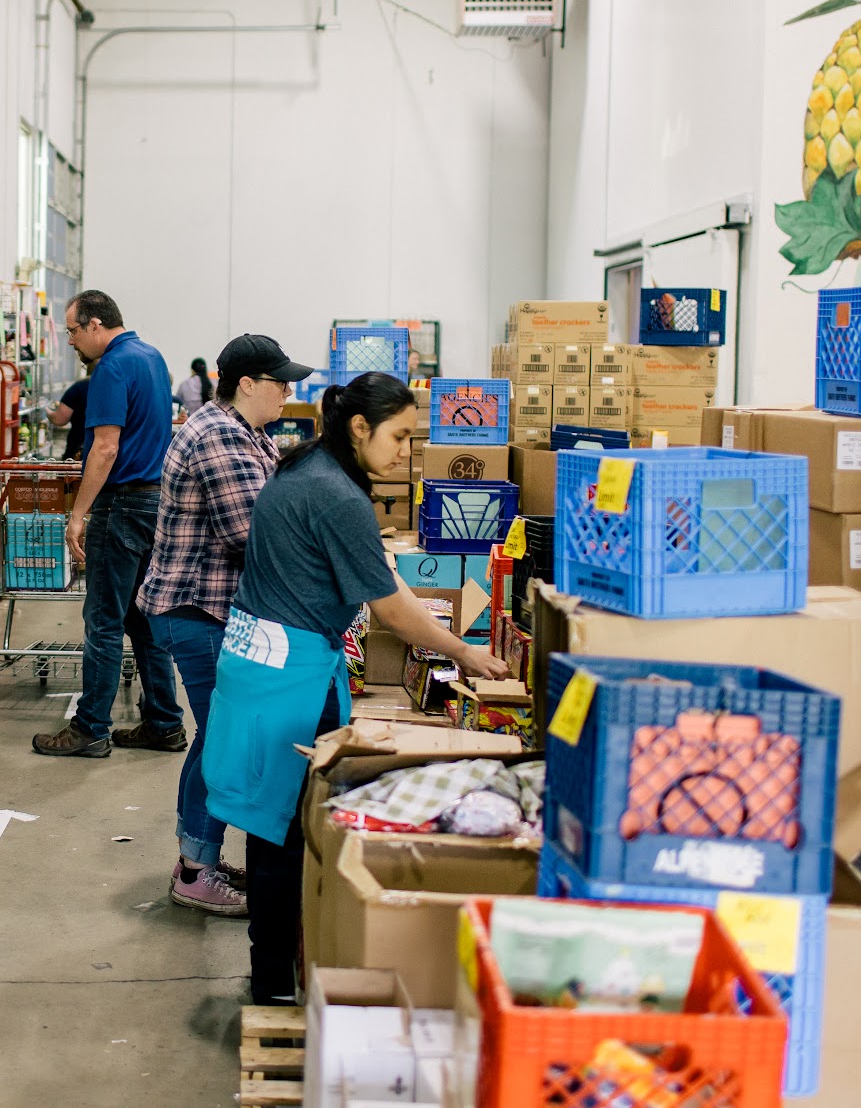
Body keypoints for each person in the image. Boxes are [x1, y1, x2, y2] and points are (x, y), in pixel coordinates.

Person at [201, 372, 510, 1004]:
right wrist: (463, 652)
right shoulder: (335, 495)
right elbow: (391, 607)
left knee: (275, 826)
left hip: (262, 664)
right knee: (285, 833)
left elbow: (368, 580)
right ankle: (274, 985)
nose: (406, 452)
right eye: (399, 436)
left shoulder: (305, 467)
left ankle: (275, 971)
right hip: (287, 680)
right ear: (360, 427)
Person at [137, 334, 312, 916]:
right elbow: (251, 532)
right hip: (197, 610)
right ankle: (194, 871)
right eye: (280, 383)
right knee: (224, 741)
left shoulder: (250, 433)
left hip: (217, 610)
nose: (288, 392)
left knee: (219, 737)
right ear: (247, 384)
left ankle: (198, 857)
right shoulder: (217, 435)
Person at [32, 291, 183, 758]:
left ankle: (91, 728)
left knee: (102, 620)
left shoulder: (111, 367)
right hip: (153, 502)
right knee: (143, 619)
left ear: (96, 324)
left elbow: (105, 448)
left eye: (73, 331)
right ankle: (164, 723)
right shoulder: (152, 358)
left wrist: (78, 515)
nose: (71, 341)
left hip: (121, 505)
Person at [49, 372, 89, 464]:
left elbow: (59, 419)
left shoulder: (80, 386)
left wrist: (48, 412)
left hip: (78, 447)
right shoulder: (117, 386)